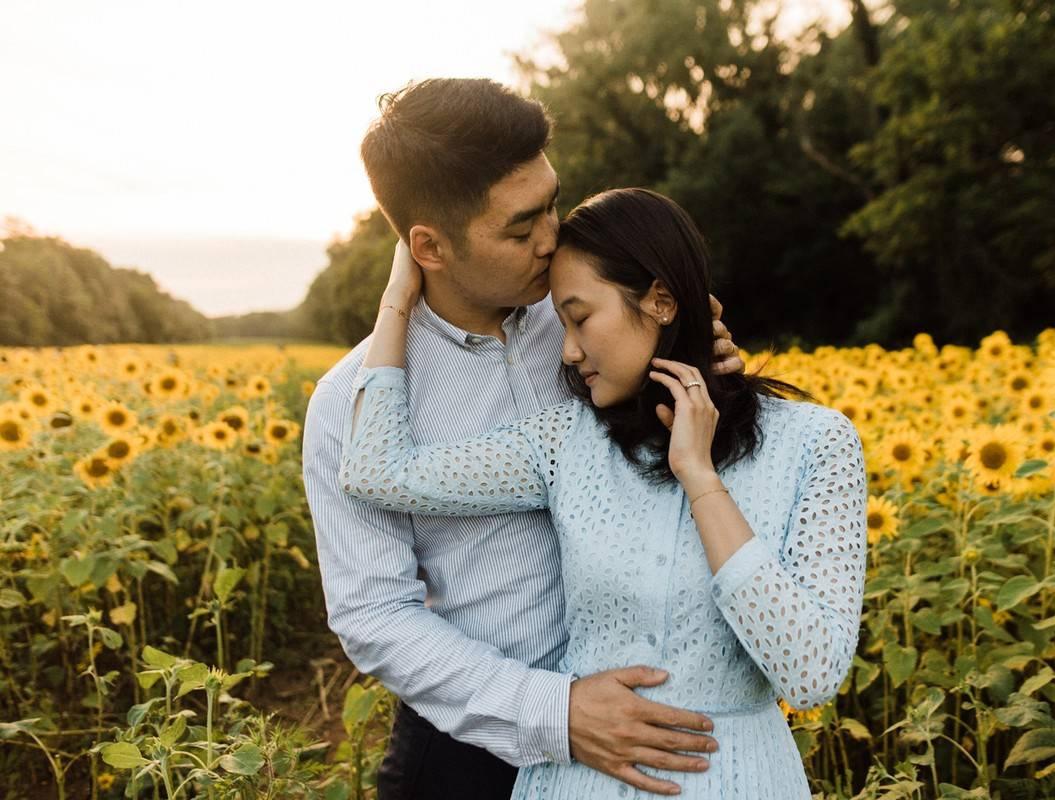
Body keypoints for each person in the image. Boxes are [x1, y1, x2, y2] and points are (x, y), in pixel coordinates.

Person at [338, 186, 869, 798]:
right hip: (580, 781)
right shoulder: (569, 440)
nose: (568, 350)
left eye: (581, 318)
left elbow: (809, 675)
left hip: (742, 778)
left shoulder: (816, 444)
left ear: (662, 301)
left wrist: (700, 478)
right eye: (560, 323)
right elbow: (377, 471)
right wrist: (398, 299)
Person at [302, 78, 745, 799]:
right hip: (472, 744)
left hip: (652, 710)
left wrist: (709, 363)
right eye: (519, 229)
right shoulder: (350, 403)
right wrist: (557, 712)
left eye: (551, 205)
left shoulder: (600, 319)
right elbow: (374, 615)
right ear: (428, 246)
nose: (551, 239)